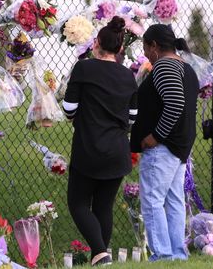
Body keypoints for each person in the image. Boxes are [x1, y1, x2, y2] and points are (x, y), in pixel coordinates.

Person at [63, 16, 138, 266]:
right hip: (117, 150)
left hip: (89, 148)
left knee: (78, 203)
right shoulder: (128, 75)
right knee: (104, 206)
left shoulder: (83, 68)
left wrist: (81, 115)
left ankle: (100, 252)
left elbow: (69, 108)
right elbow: (133, 116)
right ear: (120, 49)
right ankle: (101, 257)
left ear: (96, 44)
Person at [130, 24, 199, 261]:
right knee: (174, 201)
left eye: (146, 48)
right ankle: (177, 254)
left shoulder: (165, 66)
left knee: (152, 201)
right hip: (179, 146)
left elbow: (175, 103)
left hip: (163, 147)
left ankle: (161, 254)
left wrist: (155, 136)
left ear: (155, 46)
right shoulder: (185, 67)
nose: (146, 54)